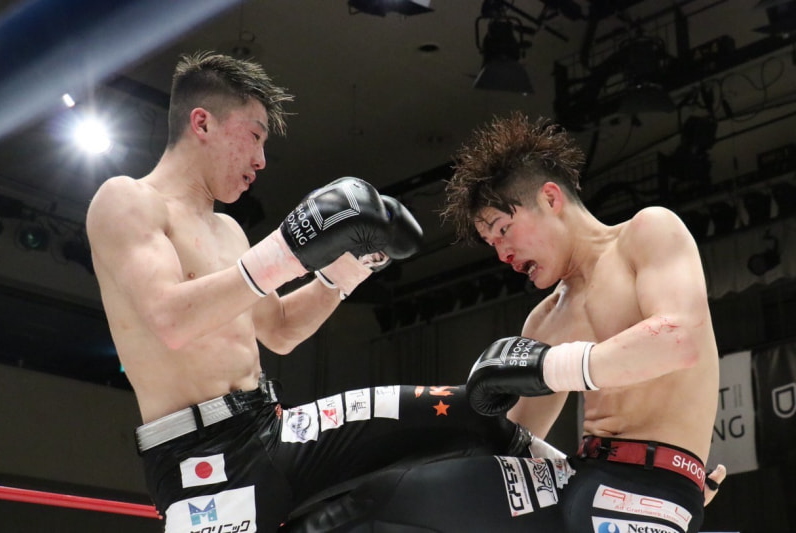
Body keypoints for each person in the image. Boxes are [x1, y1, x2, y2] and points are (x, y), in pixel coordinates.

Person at [85, 52, 534, 533]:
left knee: (463, 412)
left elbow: (279, 330)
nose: (260, 160)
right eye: (254, 135)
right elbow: (171, 322)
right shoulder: (127, 200)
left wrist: (350, 265)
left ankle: (572, 482)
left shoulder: (229, 232)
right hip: (201, 461)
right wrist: (287, 249)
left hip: (274, 429)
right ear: (202, 123)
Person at [278, 113, 726, 533]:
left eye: (503, 229)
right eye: (491, 242)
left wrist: (549, 367)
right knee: (385, 501)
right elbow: (513, 442)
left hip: (654, 485)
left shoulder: (647, 233)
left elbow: (678, 339)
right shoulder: (545, 320)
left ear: (550, 198)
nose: (502, 254)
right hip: (580, 476)